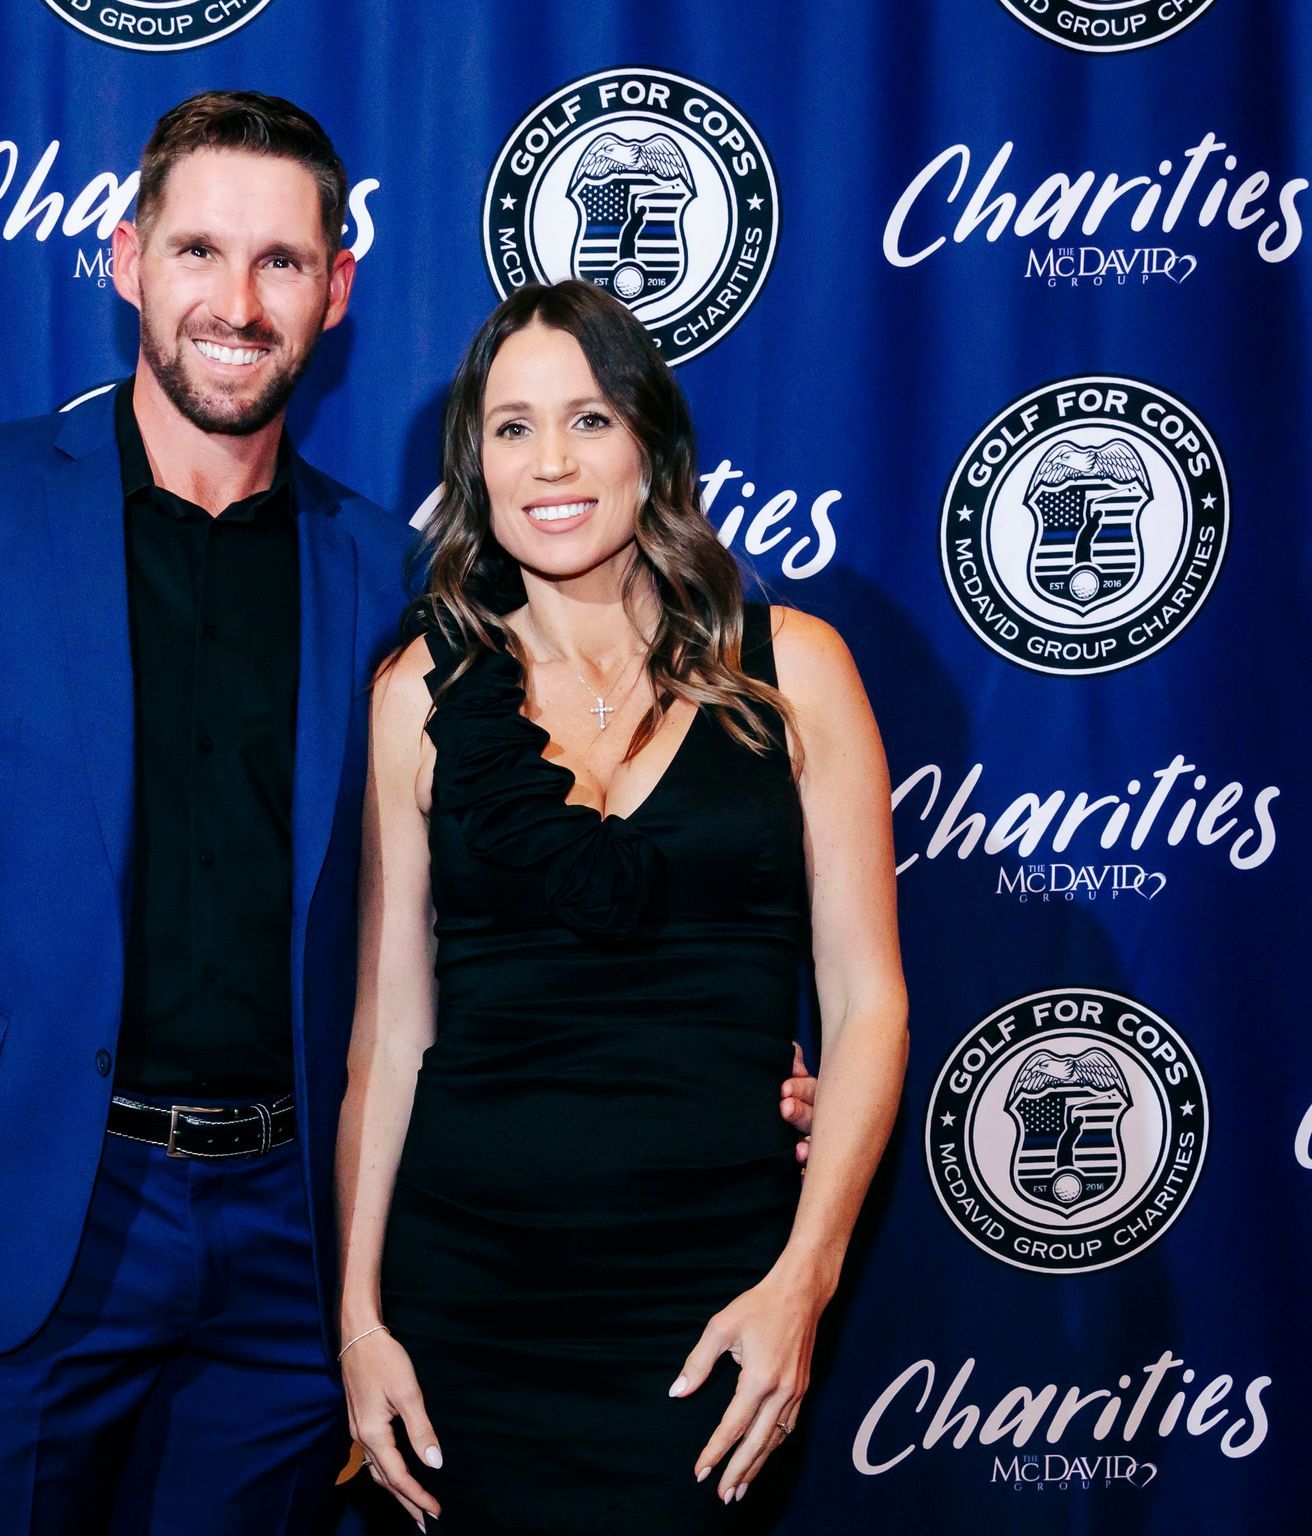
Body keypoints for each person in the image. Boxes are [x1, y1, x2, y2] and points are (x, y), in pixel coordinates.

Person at [0, 90, 821, 1533]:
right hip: (28, 1216)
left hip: (294, 1249)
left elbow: (499, 889)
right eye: (199, 250)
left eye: (281, 261)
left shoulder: (397, 589)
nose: (237, 301)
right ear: (126, 260)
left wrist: (726, 1053)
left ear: (335, 291)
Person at [337, 280, 908, 1533]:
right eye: (513, 427)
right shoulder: (415, 696)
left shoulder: (797, 670)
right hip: (466, 1302)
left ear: (651, 447)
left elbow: (868, 1001)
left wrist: (803, 1284)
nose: (551, 461)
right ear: (476, 467)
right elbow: (390, 1035)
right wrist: (361, 1318)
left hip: (714, 1303)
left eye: (589, 419)